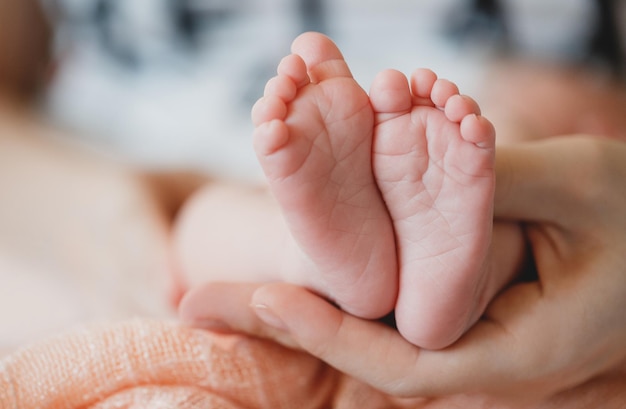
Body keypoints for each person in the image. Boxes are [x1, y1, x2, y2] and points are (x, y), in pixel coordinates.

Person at [175, 32, 525, 350]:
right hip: (429, 137)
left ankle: (298, 254)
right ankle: (473, 282)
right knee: (507, 173)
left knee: (204, 216)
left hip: (409, 148)